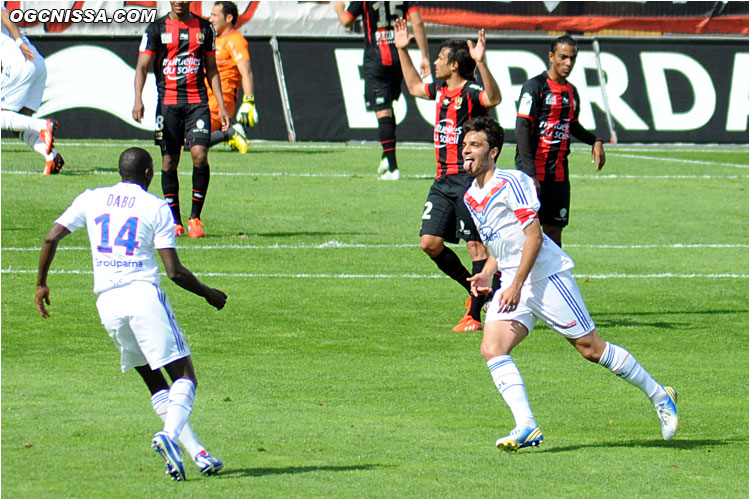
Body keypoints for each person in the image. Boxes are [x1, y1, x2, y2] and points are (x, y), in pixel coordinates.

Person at [460, 116, 678, 451]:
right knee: (492, 348)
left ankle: (660, 395)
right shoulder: (470, 197)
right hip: (513, 280)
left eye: (475, 145)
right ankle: (527, 426)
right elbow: (502, 242)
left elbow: (534, 236)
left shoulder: (512, 182)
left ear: (494, 152)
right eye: (465, 145)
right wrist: (490, 271)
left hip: (545, 276)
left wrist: (517, 283)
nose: (467, 151)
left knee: (591, 349)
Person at [35, 147, 228, 480]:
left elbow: (51, 237)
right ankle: (167, 437)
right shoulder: (156, 207)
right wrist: (210, 295)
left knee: (156, 384)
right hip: (142, 297)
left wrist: (41, 285)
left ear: (120, 171)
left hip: (107, 304)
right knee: (185, 377)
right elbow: (174, 271)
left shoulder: (91, 198)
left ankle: (198, 454)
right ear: (149, 174)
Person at [394, 18, 501, 332]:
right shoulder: (440, 89)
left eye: (440, 59)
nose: (435, 63)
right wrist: (403, 50)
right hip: (442, 180)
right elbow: (415, 87)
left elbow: (493, 99)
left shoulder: (471, 93)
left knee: (476, 247)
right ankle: (474, 291)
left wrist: (482, 64)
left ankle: (476, 316)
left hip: (470, 181)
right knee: (429, 242)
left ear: (454, 65)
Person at [133, 1, 231, 239]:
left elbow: (212, 69)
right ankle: (174, 220)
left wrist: (223, 106)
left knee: (200, 155)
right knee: (169, 162)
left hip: (197, 102)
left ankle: (195, 218)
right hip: (167, 104)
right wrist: (138, 99)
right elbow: (142, 67)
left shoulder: (205, 29)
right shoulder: (155, 29)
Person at [515, 34, 606, 248]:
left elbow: (571, 125)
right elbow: (522, 128)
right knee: (525, 233)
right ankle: (510, 279)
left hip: (558, 175)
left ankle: (551, 280)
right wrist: (529, 174)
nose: (568, 63)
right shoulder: (534, 87)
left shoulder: (571, 92)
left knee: (554, 231)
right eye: (563, 57)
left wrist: (595, 140)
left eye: (572, 58)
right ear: (551, 56)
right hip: (533, 171)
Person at [333, 1, 430, 180]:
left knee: (383, 111)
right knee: (388, 108)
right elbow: (417, 22)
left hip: (377, 59)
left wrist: (339, 8)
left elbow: (346, 21)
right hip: (400, 58)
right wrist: (424, 56)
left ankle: (392, 167)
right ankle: (386, 157)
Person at [0, 6, 63, 175]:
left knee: (2, 115)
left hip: (20, 61)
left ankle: (42, 125)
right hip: (36, 63)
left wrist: (19, 42)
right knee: (17, 124)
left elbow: (4, 14)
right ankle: (51, 157)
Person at [207, 0, 257, 154]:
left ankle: (231, 132)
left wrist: (249, 101)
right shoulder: (214, 40)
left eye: (215, 15)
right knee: (180, 141)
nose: (211, 19)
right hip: (205, 100)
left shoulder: (235, 40)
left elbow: (246, 72)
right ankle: (228, 133)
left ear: (228, 18)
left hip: (219, 104)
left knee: (190, 143)